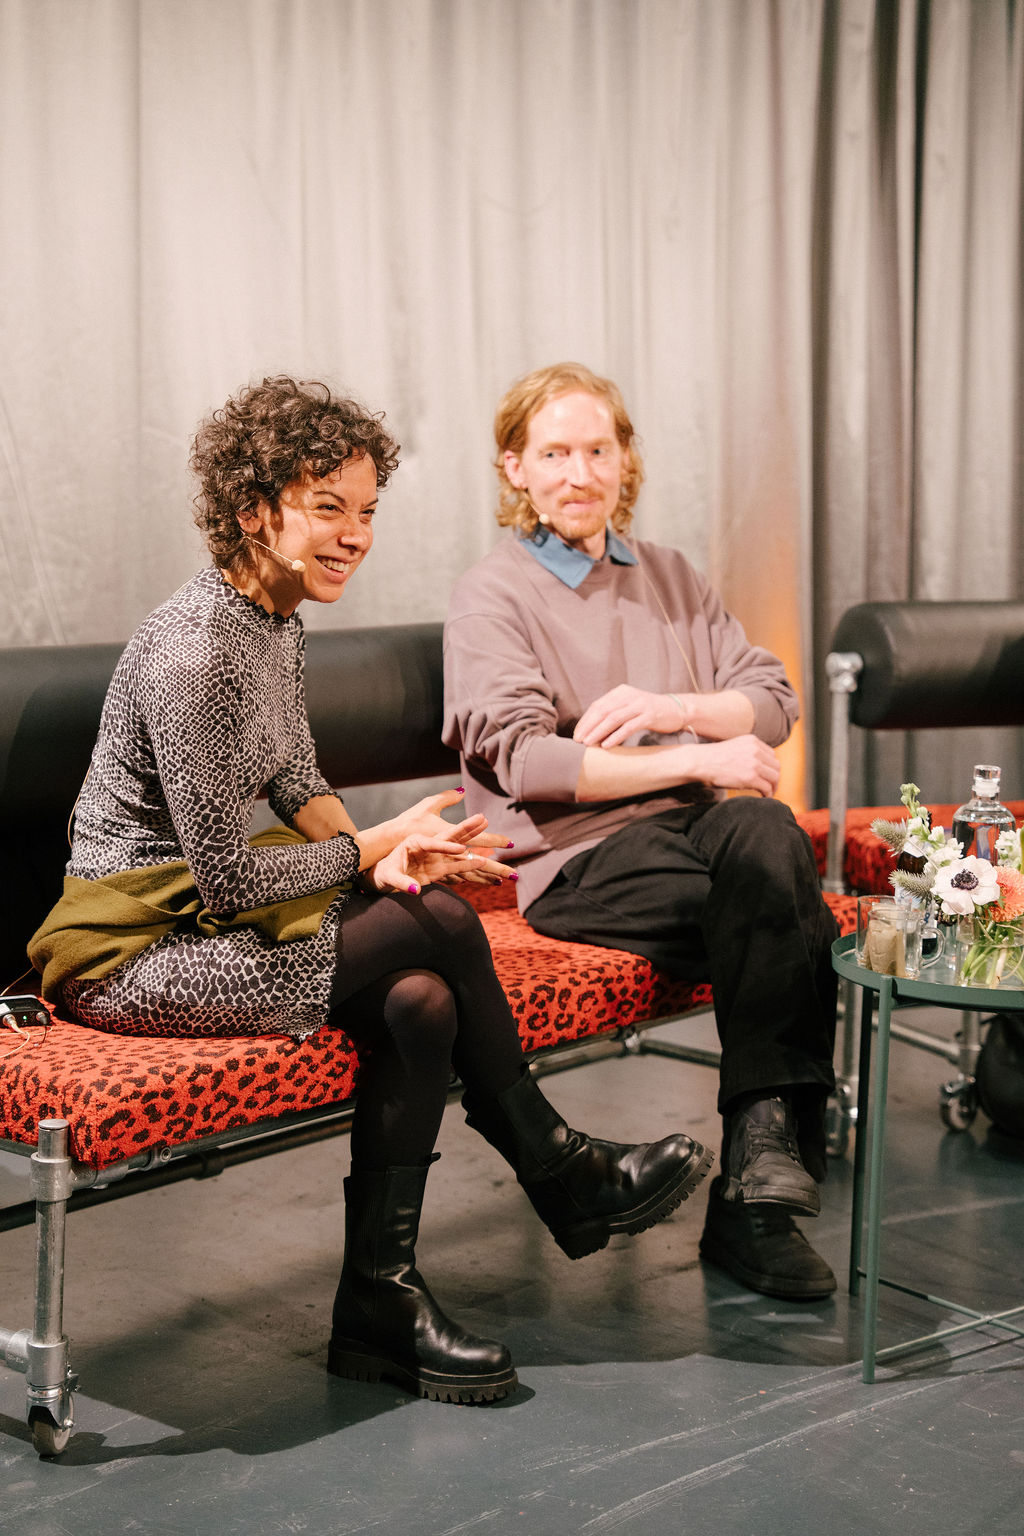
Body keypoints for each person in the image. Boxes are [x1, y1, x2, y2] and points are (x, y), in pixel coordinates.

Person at [28, 376, 713, 1407]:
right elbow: (226, 881)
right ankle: (550, 1162)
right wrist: (375, 852)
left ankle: (379, 1303)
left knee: (420, 993)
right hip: (131, 957)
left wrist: (381, 857)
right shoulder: (200, 649)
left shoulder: (273, 618)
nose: (355, 536)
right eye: (327, 508)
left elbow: (298, 785)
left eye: (367, 511)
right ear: (254, 509)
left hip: (206, 927)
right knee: (434, 925)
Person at [442, 362, 839, 1302]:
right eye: (554, 453)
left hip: (705, 842)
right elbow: (526, 762)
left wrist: (678, 708)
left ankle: (755, 1166)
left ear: (625, 460)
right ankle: (757, 1201)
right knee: (789, 900)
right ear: (515, 469)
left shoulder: (669, 575)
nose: (578, 473)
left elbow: (773, 701)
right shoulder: (491, 595)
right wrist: (697, 758)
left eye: (597, 449)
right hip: (576, 864)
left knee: (765, 841)